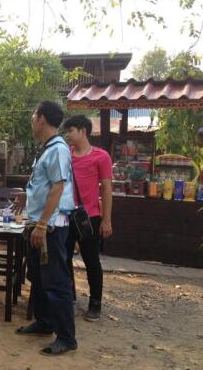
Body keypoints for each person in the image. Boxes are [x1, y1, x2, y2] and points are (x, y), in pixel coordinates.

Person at [13, 101, 78, 355]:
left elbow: (58, 188)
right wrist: (27, 198)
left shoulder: (58, 149)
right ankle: (44, 321)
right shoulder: (47, 148)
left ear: (41, 118)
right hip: (39, 222)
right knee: (38, 278)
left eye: (33, 116)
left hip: (50, 226)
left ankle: (66, 337)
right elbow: (43, 186)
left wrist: (41, 224)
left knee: (56, 281)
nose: (31, 120)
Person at [62, 114, 113, 321]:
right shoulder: (65, 154)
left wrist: (106, 220)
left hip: (89, 218)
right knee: (63, 259)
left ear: (83, 131)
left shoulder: (101, 156)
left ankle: (95, 303)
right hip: (65, 216)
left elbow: (107, 190)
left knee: (91, 261)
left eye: (70, 131)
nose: (67, 135)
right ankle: (69, 297)